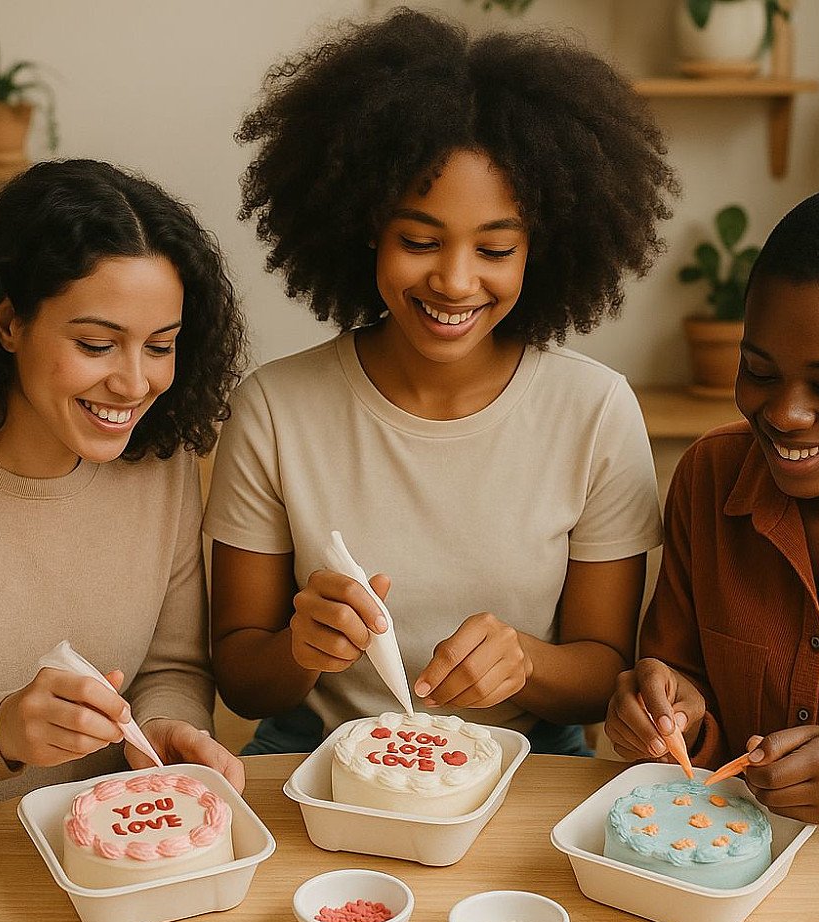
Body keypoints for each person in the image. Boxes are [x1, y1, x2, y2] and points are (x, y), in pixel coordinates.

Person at [204, 8, 677, 756]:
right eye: (419, 240)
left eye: (495, 248)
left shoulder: (594, 412)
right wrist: (299, 647)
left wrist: (526, 664)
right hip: (316, 759)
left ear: (540, 249)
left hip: (527, 767)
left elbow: (601, 675)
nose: (455, 282)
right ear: (366, 228)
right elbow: (238, 677)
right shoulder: (275, 409)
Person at [604, 187, 819, 858]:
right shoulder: (709, 478)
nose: (786, 414)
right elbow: (679, 681)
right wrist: (671, 713)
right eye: (758, 370)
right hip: (716, 884)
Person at [0, 159, 248, 815]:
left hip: (115, 852)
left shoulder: (160, 466)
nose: (135, 384)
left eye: (160, 345)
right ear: (7, 323)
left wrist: (168, 729)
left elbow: (172, 667)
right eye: (96, 344)